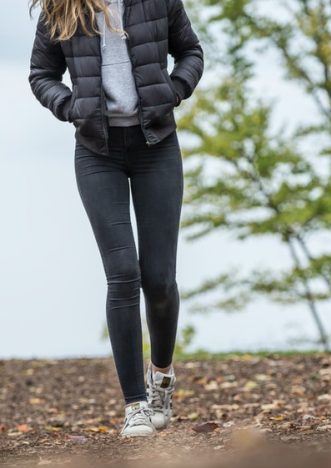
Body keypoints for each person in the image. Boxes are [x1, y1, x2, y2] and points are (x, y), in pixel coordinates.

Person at [28, 0, 203, 437]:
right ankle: (135, 406)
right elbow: (41, 74)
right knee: (123, 273)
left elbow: (191, 52)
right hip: (96, 152)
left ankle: (160, 377)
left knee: (159, 280)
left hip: (156, 145)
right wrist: (70, 108)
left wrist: (174, 91)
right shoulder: (63, 7)